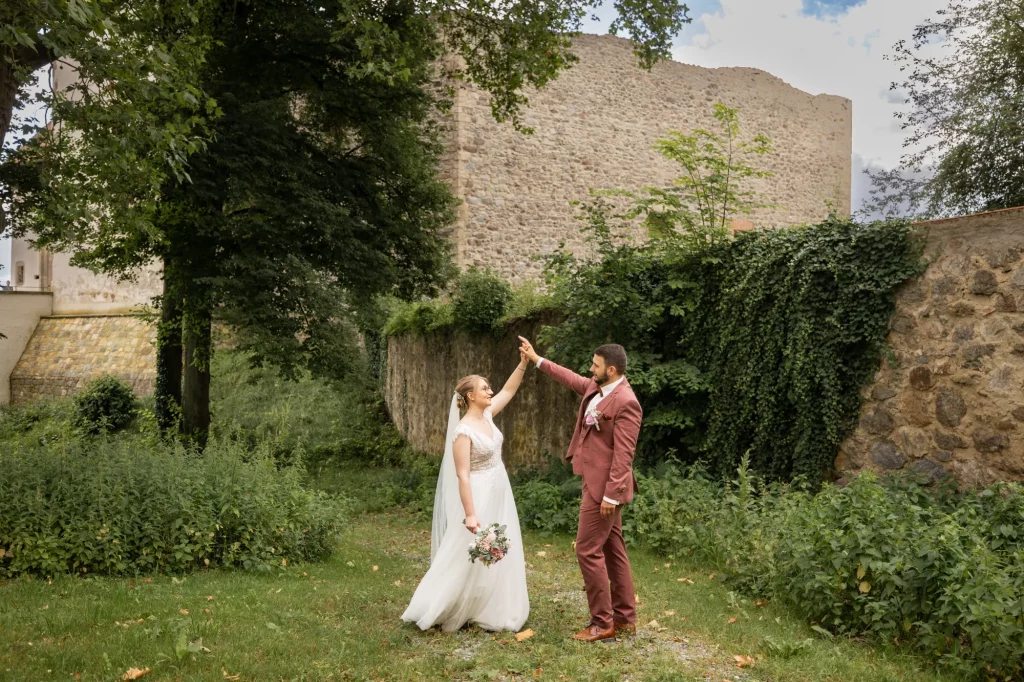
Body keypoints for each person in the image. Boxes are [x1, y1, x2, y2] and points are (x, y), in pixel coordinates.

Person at [518, 337, 641, 643]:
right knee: (614, 550)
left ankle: (602, 623)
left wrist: (611, 495)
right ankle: (625, 619)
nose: (590, 369)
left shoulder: (626, 402)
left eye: (595, 366)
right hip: (593, 480)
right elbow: (570, 377)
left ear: (611, 369)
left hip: (605, 491)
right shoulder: (597, 388)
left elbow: (624, 455)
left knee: (587, 549)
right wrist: (536, 359)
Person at [401, 351, 531, 632]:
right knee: (464, 552)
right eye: (484, 387)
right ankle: (435, 605)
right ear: (470, 395)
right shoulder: (463, 431)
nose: (490, 390)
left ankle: (492, 603)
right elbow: (462, 474)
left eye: (488, 387)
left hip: (500, 491)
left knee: (498, 549)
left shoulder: (488, 415)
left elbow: (508, 390)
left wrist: (522, 363)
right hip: (478, 494)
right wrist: (470, 514)